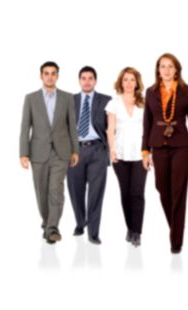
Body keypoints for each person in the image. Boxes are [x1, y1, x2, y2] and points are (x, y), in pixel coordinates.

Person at [142, 53, 188, 254]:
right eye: (163, 66)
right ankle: (176, 227)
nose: (166, 70)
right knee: (162, 187)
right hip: (157, 145)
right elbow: (147, 123)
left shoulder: (187, 91)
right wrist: (145, 150)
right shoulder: (151, 92)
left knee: (178, 191)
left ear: (176, 69)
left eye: (170, 66)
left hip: (181, 146)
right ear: (158, 70)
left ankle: (176, 241)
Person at [19, 61, 79, 244]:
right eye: (46, 73)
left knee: (56, 190)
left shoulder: (67, 98)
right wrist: (23, 153)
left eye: (53, 73)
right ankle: (47, 224)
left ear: (57, 76)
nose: (50, 76)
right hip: (37, 152)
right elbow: (25, 127)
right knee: (41, 191)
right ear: (41, 76)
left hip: (61, 152)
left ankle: (53, 228)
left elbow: (72, 127)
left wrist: (75, 150)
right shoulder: (30, 98)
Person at [67, 66, 112, 245]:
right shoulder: (70, 100)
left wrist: (111, 151)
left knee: (96, 193)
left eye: (90, 78)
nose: (87, 81)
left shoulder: (106, 100)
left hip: (97, 150)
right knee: (75, 190)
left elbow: (113, 128)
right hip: (74, 150)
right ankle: (80, 222)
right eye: (83, 78)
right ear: (79, 81)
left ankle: (93, 232)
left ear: (95, 80)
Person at [106, 67, 147, 247]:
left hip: (140, 154)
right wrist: (112, 149)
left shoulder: (145, 103)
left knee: (137, 192)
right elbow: (110, 129)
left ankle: (137, 232)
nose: (129, 83)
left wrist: (149, 151)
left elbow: (149, 129)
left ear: (137, 82)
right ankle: (130, 227)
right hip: (120, 154)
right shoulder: (114, 103)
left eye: (132, 79)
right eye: (125, 80)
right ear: (120, 83)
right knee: (125, 193)